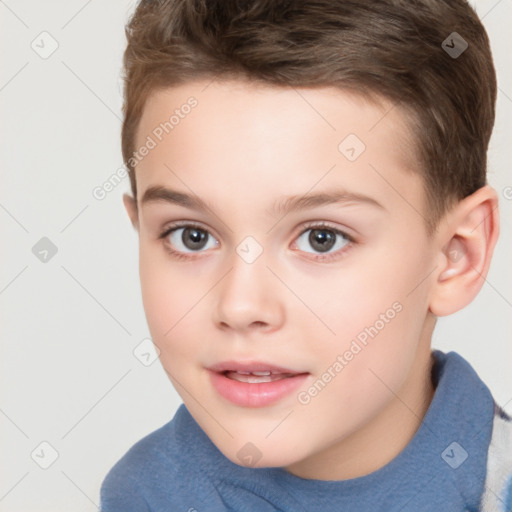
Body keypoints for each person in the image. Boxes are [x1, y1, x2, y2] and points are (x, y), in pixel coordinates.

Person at [100, 0, 512, 510]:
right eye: (192, 236)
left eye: (322, 238)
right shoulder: (144, 495)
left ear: (456, 255)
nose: (241, 306)